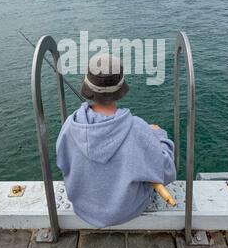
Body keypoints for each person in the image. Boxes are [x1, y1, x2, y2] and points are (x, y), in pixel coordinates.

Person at [56, 54, 176, 228]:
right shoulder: (138, 128)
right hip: (127, 210)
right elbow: (167, 172)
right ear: (120, 89)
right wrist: (159, 136)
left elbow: (63, 164)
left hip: (83, 209)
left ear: (88, 86)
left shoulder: (70, 125)